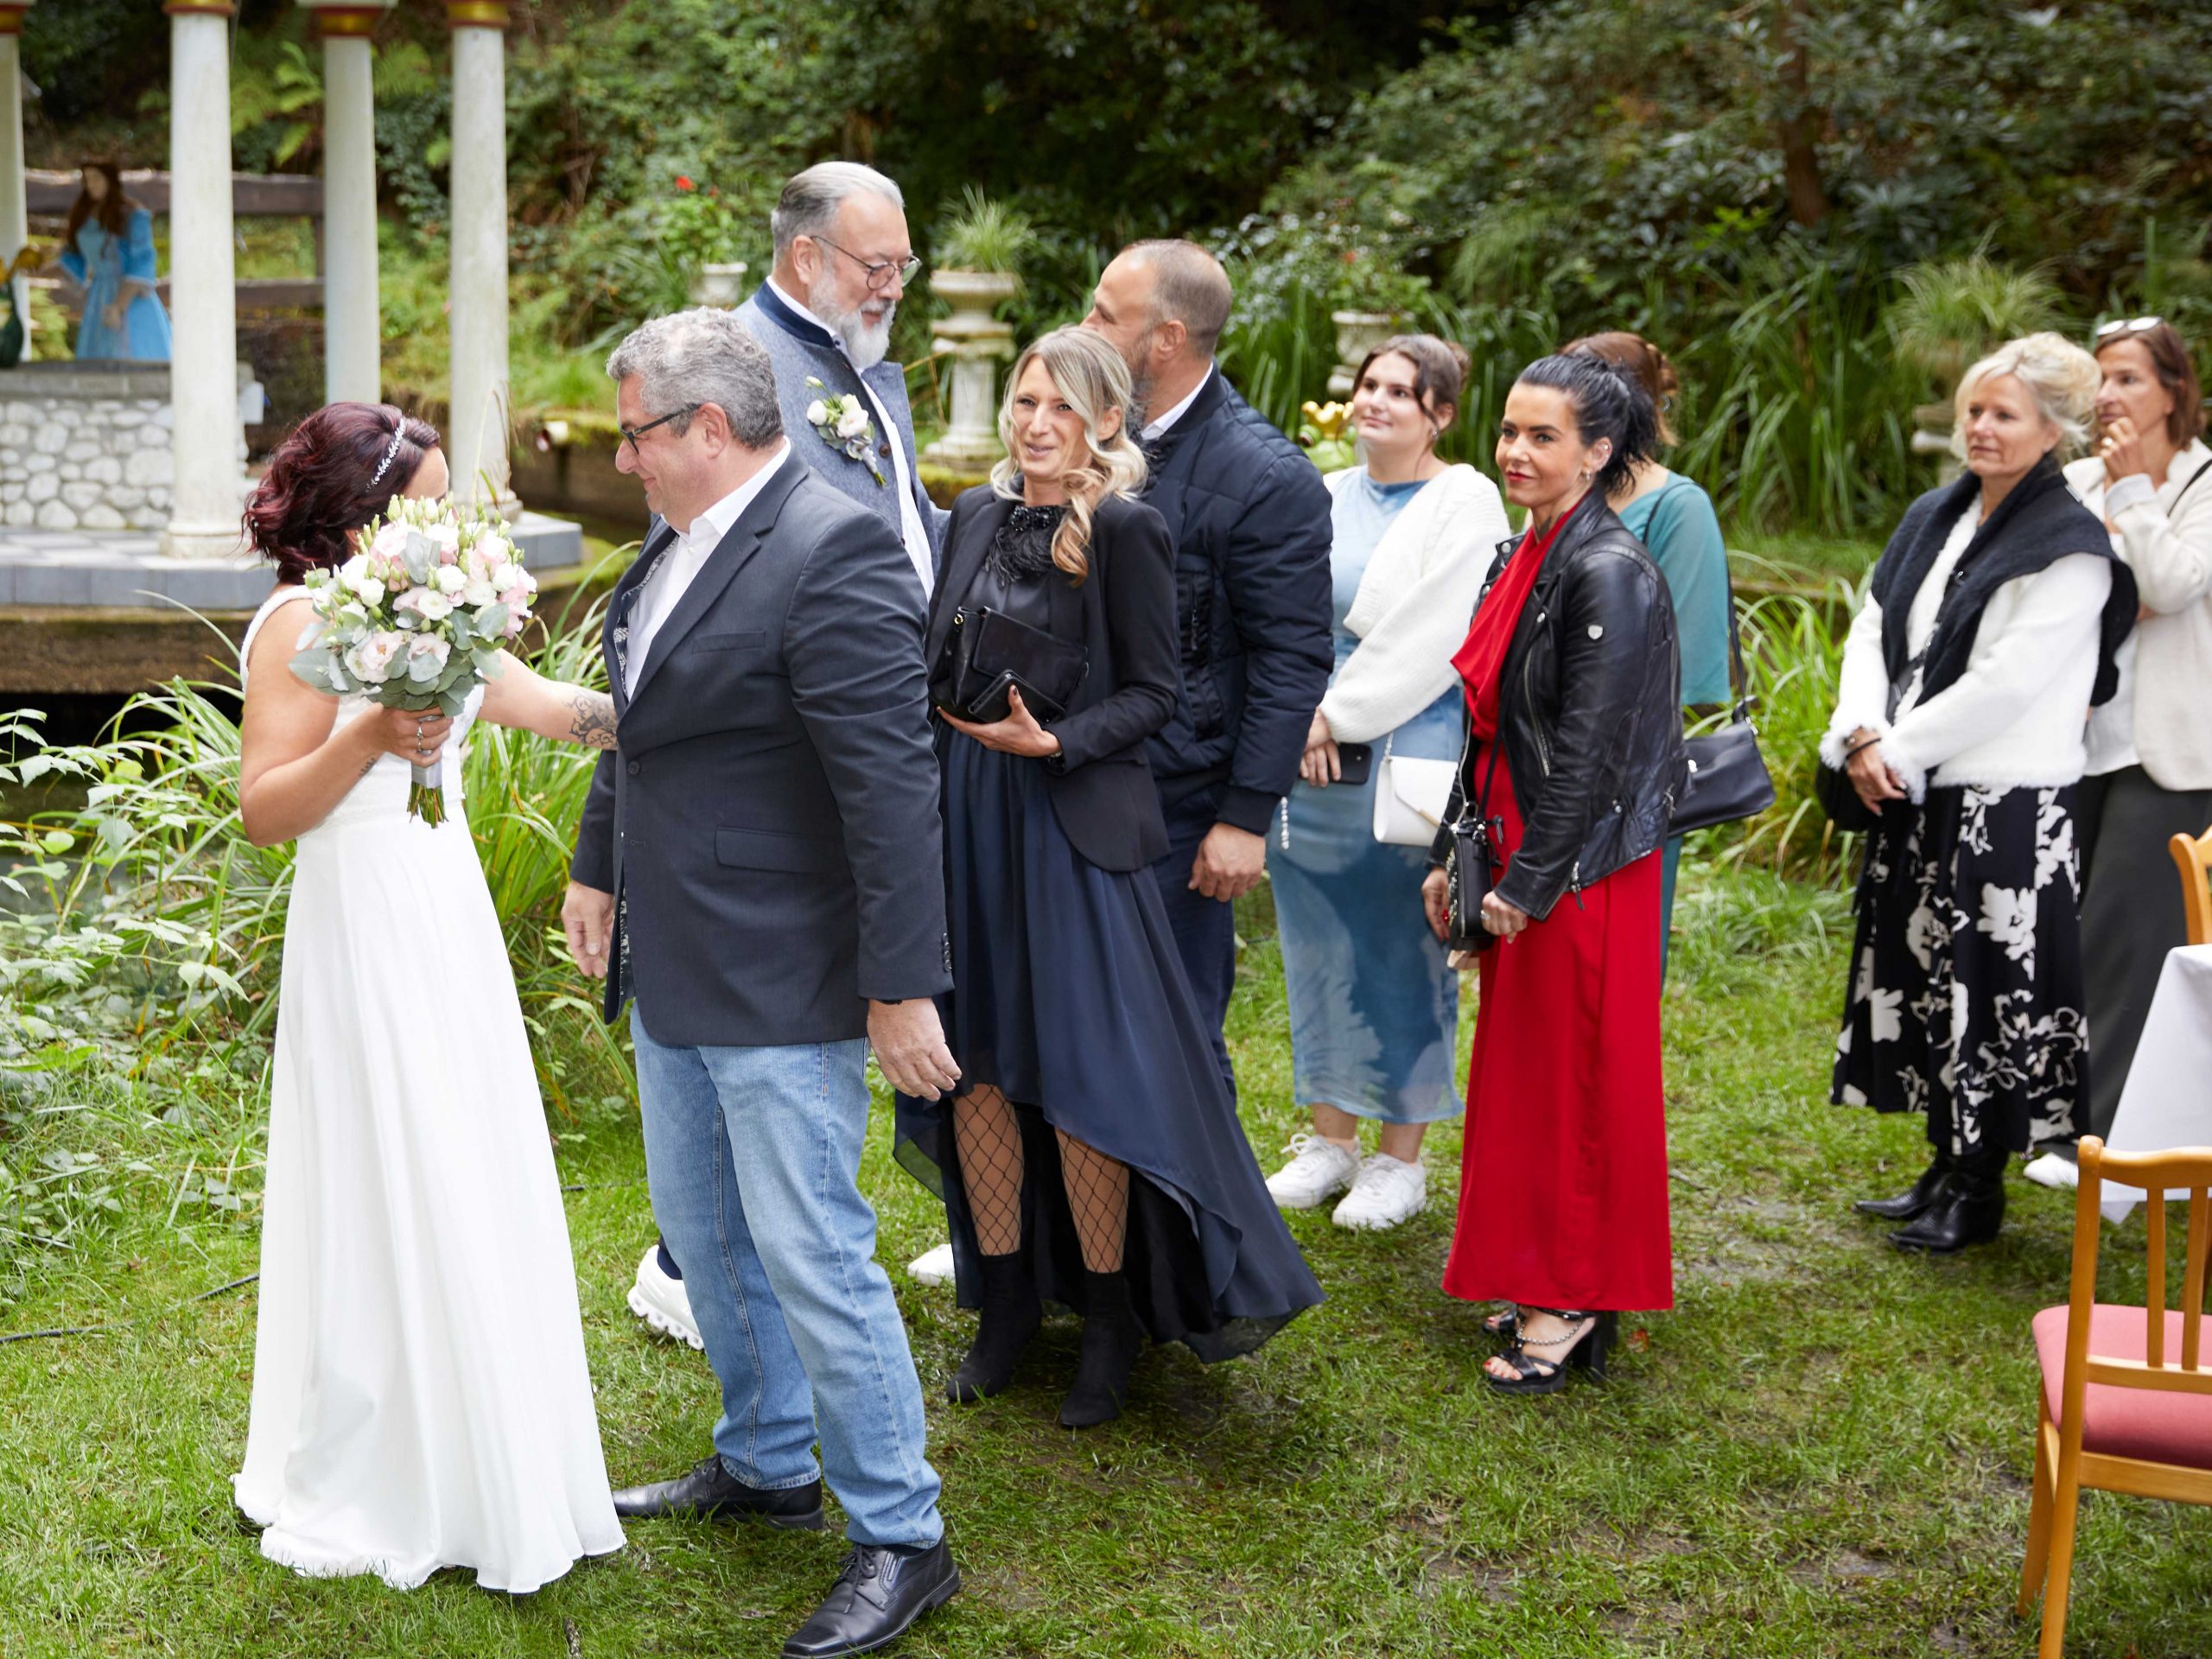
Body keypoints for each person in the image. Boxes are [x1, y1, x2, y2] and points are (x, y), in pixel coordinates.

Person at [563, 308, 961, 1657]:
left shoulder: (832, 547)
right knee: (702, 1225)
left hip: (787, 964)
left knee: (811, 1248)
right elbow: (641, 725)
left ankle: (902, 1532)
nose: (624, 460)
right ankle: (769, 1458)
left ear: (708, 428)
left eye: (635, 435)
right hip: (673, 948)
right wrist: (599, 867)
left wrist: (900, 987)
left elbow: (892, 791)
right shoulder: (674, 541)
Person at [897, 326, 1323, 1428]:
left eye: (1060, 408)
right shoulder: (973, 514)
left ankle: (1104, 1318)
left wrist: (1057, 743)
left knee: (1081, 1077)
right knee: (977, 1064)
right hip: (968, 824)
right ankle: (1002, 1304)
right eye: (1024, 402)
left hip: (1069, 831)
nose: (1035, 425)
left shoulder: (1129, 528)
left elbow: (1154, 694)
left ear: (1105, 423)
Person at [232, 402, 625, 1591]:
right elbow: (265, 811)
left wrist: (688, 712)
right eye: (428, 501)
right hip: (360, 916)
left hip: (441, 907)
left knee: (462, 1150)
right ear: (361, 512)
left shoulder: (434, 606)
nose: (449, 522)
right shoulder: (298, 621)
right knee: (385, 1158)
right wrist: (367, 737)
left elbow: (556, 709)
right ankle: (385, 1456)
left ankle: (484, 1437)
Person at [634, 160, 950, 1335]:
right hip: (790, 768)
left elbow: (902, 516)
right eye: (879, 263)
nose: (895, 284)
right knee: (768, 1125)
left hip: (880, 705)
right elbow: (681, 610)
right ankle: (701, 1263)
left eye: (904, 263)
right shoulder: (738, 365)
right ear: (808, 256)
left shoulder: (857, 354)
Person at [1825, 333, 2135, 1252]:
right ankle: (1940, 1163)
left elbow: (2007, 682)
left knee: (1992, 994)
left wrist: (1893, 747)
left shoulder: (2072, 549)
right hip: (1921, 785)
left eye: (2004, 414)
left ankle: (1977, 1188)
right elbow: (1875, 624)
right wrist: (1858, 732)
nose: (1981, 428)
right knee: (1929, 981)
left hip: (2009, 803)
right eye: (1973, 410)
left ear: (2053, 431)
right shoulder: (1938, 512)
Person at [1421, 354, 1685, 1396]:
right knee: (1526, 1081)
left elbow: (1590, 752)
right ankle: (1538, 1272)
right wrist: (1454, 855)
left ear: (1597, 452)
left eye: (1542, 437)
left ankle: (1572, 1301)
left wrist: (1528, 883)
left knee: (1577, 1082)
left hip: (1578, 867)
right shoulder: (1522, 551)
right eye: (1508, 431)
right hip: (1519, 841)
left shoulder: (1608, 570)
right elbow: (1486, 727)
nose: (1515, 452)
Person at [1262, 334, 1508, 1230]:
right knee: (1318, 942)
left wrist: (1336, 715)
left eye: (1401, 391)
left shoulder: (1466, 501)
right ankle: (1329, 1140)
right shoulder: (1323, 492)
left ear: (1440, 413)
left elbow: (1433, 634)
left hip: (1404, 743)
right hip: (1308, 747)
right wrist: (1299, 717)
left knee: (1405, 947)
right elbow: (1280, 611)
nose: (1377, 401)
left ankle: (1400, 1159)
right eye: (1369, 385)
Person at [1081, 239, 1335, 1074]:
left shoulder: (1268, 478)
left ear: (1166, 340)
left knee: (1174, 1043)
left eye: (1104, 316)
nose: (1084, 328)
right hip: (1074, 779)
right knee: (1078, 1035)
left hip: (1179, 805)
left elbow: (1292, 657)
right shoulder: (1082, 436)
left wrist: (1245, 816)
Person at [2024, 321, 2212, 1189]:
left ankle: (2098, 1143)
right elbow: (2069, 590)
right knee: (2064, 934)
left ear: (2173, 391)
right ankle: (2062, 1124)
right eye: (2101, 378)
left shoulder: (2204, 483)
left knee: (2128, 942)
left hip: (2169, 749)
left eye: (2129, 378)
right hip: (2074, 741)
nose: (2107, 396)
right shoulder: (2074, 482)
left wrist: (2135, 495)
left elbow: (2169, 585)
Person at [1561, 332, 1732, 972]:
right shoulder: (1558, 490)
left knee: (1614, 965)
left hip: (1625, 772)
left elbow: (1683, 662)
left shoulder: (1678, 507)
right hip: (1541, 759)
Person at [52, 162, 171, 361]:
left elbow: (142, 262)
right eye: (87, 179)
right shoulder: (84, 215)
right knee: (97, 360)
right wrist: (41, 267)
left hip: (130, 298)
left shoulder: (132, 215)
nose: (91, 184)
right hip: (99, 295)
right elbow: (74, 259)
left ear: (110, 180)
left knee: (134, 357)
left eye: (96, 178)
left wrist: (119, 306)